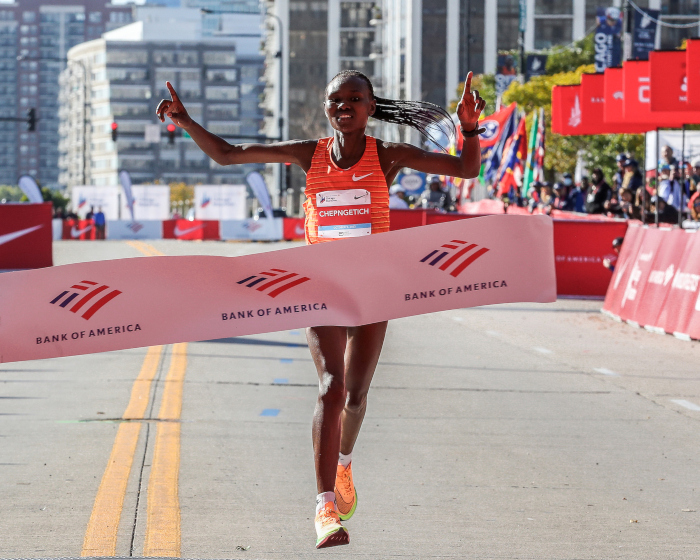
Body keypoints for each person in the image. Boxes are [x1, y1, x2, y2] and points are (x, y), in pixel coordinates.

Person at [157, 71, 484, 549]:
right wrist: (186, 122)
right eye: (336, 98)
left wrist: (470, 129)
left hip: (373, 289)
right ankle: (325, 507)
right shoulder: (307, 153)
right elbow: (229, 154)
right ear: (325, 105)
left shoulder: (387, 155)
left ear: (371, 106)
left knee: (355, 396)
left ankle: (344, 463)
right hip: (323, 288)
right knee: (330, 389)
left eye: (355, 98)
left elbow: (466, 170)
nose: (345, 105)